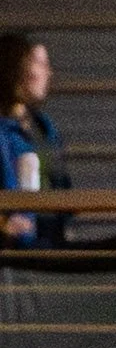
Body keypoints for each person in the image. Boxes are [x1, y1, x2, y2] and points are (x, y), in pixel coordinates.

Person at [0, 35, 68, 250]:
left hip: (51, 243)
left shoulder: (44, 129)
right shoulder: (4, 132)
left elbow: (62, 190)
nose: (48, 73)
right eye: (40, 64)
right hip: (15, 249)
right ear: (16, 68)